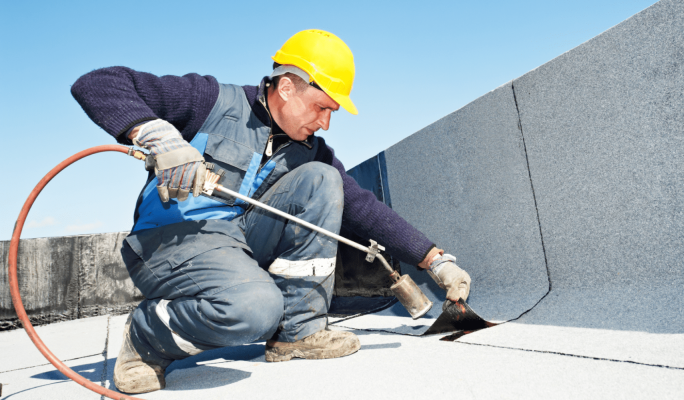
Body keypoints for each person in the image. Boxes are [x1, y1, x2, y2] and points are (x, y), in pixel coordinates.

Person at [71, 29, 471, 394]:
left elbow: (363, 208)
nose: (326, 123)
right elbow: (97, 84)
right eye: (321, 107)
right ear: (286, 87)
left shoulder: (309, 150)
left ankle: (298, 333)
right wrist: (157, 135)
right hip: (172, 239)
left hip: (236, 241)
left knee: (322, 180)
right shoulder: (210, 100)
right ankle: (146, 336)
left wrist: (435, 260)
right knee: (255, 310)